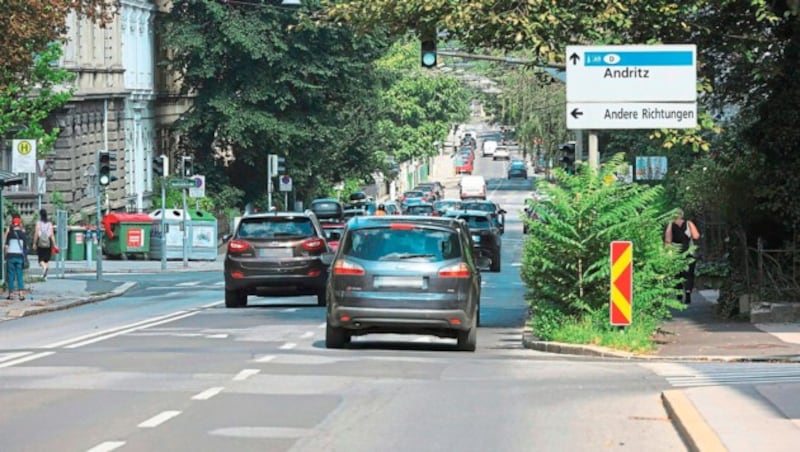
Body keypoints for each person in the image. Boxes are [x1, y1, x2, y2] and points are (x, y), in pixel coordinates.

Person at [664, 208, 700, 304]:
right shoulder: (689, 223)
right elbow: (696, 236)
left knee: (677, 274)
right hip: (689, 251)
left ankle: (679, 294)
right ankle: (688, 294)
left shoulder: (670, 225)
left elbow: (668, 240)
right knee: (689, 274)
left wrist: (667, 253)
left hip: (676, 253)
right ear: (682, 215)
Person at [4, 215, 28, 300]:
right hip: (19, 257)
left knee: (11, 275)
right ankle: (21, 294)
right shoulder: (23, 234)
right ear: (20, 224)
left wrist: (5, 255)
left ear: (13, 224)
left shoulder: (10, 234)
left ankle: (11, 294)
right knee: (19, 275)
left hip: (10, 256)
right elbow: (25, 248)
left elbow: (6, 246)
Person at [33, 209, 55, 280]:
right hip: (48, 243)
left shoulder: (38, 223)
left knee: (40, 260)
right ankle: (45, 276)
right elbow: (52, 235)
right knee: (46, 260)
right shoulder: (50, 224)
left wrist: (34, 243)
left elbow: (36, 234)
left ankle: (44, 268)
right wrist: (54, 244)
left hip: (40, 243)